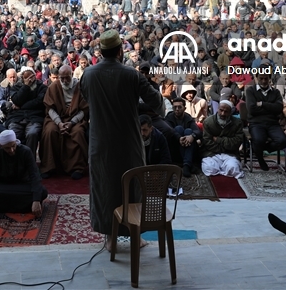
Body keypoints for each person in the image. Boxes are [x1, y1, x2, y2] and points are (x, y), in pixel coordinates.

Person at [80, 29, 163, 250]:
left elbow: (87, 97)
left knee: (105, 186)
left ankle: (109, 238)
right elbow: (156, 103)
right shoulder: (132, 75)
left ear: (101, 51)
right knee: (132, 186)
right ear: (120, 51)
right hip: (129, 142)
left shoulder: (88, 74)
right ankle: (135, 235)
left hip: (101, 142)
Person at [0, 129, 48, 216]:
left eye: (13, 146)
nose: (12, 150)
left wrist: (36, 200)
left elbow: (35, 176)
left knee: (42, 192)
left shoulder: (26, 151)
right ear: (1, 146)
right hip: (1, 185)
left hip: (21, 185)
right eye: (7, 148)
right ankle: (23, 207)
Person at [41, 64, 89, 179]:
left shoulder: (80, 87)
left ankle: (77, 167)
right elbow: (50, 109)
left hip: (75, 119)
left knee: (77, 133)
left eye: (66, 78)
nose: (64, 80)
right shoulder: (53, 87)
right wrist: (59, 123)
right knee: (50, 131)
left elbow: (84, 110)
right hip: (57, 119)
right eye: (61, 78)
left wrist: (72, 122)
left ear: (71, 75)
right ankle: (49, 167)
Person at [244, 72, 286, 170]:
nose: (264, 81)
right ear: (256, 78)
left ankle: (262, 148)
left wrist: (263, 104)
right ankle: (260, 158)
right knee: (258, 139)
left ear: (269, 78)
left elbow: (279, 108)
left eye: (266, 78)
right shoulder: (250, 91)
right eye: (261, 78)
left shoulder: (275, 92)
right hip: (256, 123)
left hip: (273, 123)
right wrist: (270, 107)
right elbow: (251, 109)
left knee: (282, 141)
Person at [6, 66, 47, 153]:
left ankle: (30, 159)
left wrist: (21, 106)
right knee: (12, 134)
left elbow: (39, 102)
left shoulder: (41, 87)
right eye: (26, 78)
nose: (30, 80)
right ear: (22, 78)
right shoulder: (16, 87)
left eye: (31, 77)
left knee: (32, 133)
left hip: (34, 117)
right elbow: (17, 99)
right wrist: (26, 86)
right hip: (17, 118)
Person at [200, 100, 243, 177]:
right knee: (209, 169)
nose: (223, 114)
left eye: (226, 111)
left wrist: (219, 140)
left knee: (233, 168)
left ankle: (223, 167)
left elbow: (237, 141)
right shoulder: (208, 122)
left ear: (230, 112)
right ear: (218, 109)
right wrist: (224, 146)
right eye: (221, 110)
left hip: (230, 153)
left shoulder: (237, 123)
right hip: (212, 153)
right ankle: (220, 167)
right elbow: (207, 142)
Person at [164, 97, 201, 176]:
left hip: (188, 146)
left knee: (188, 131)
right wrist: (179, 138)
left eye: (179, 107)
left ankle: (186, 165)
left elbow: (197, 131)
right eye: (175, 107)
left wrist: (192, 136)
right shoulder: (169, 118)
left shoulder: (188, 118)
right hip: (174, 148)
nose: (177, 109)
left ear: (184, 108)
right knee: (178, 129)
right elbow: (170, 131)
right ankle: (188, 165)